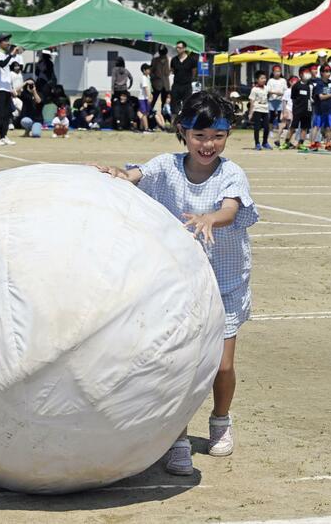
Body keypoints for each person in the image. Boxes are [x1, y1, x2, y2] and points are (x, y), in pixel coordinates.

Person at [97, 90, 258, 474]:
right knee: (179, 364)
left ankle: (221, 421)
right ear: (183, 132)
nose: (208, 144)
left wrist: (210, 219)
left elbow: (231, 208)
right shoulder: (166, 166)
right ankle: (177, 437)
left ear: (228, 134)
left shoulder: (231, 173)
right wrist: (118, 175)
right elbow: (136, 175)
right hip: (176, 285)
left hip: (224, 282)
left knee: (221, 365)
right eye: (200, 135)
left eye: (217, 136)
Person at [283, 67, 314, 150]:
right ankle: (286, 142)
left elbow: (312, 97)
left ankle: (300, 143)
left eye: (308, 72)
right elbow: (293, 98)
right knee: (293, 127)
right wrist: (294, 110)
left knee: (304, 128)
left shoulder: (310, 85)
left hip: (307, 110)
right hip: (298, 110)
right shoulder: (296, 86)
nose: (308, 74)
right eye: (305, 73)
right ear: (300, 74)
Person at [310, 64, 331, 150]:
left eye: (329, 71)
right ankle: (312, 143)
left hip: (329, 108)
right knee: (316, 126)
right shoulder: (319, 83)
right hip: (320, 109)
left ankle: (328, 144)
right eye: (326, 71)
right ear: (321, 72)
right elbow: (321, 97)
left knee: (329, 126)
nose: (328, 73)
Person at [170, 41, 198, 117]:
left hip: (187, 86)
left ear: (184, 48)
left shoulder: (192, 60)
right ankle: (174, 125)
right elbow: (172, 71)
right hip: (176, 85)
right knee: (174, 106)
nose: (177, 49)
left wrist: (189, 80)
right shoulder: (174, 60)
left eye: (179, 47)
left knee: (187, 105)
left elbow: (194, 72)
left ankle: (186, 124)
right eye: (177, 47)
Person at [248, 70, 271, 150]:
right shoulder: (254, 89)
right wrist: (250, 113)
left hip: (265, 110)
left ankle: (265, 142)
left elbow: (272, 91)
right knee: (257, 127)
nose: (264, 80)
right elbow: (252, 101)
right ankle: (257, 143)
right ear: (257, 80)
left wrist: (281, 92)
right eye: (262, 78)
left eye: (265, 78)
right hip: (257, 109)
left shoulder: (266, 88)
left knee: (267, 127)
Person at [274, 75, 297, 148]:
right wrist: (284, 112)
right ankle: (277, 139)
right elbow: (284, 101)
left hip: (293, 110)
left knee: (291, 127)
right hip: (287, 109)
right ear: (290, 82)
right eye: (294, 81)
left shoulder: (297, 91)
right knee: (283, 125)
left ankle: (288, 141)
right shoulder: (288, 91)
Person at [150, 45, 171, 110]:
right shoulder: (155, 60)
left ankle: (162, 115)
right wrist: (155, 77)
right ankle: (151, 114)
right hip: (156, 84)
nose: (163, 55)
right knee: (154, 100)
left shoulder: (169, 60)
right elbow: (151, 71)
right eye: (162, 53)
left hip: (165, 84)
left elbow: (169, 72)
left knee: (165, 101)